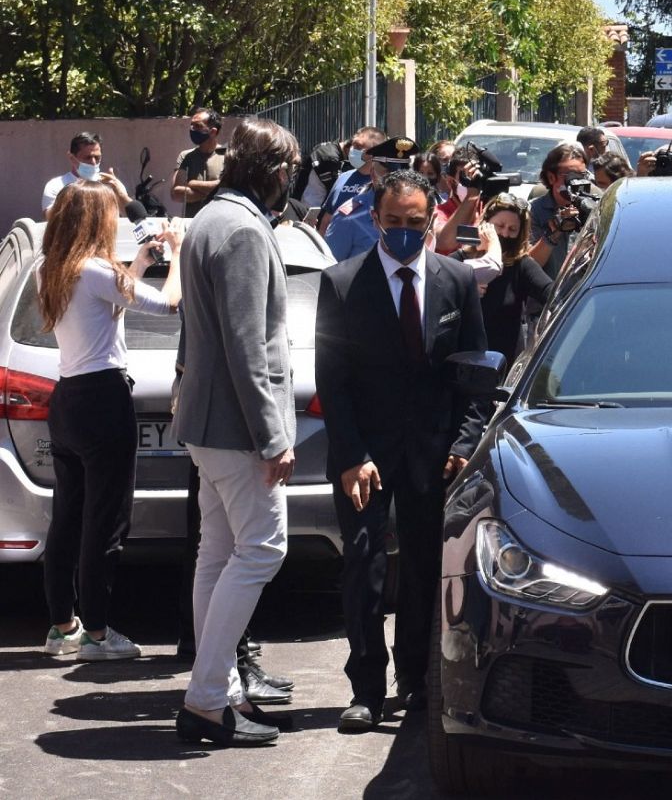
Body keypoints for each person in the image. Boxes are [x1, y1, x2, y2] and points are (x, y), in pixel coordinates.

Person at [314, 169, 491, 732]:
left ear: (431, 220)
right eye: (394, 223)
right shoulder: (341, 284)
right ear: (375, 220)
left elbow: (475, 376)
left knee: (423, 571)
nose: (405, 233)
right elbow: (332, 382)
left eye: (416, 224)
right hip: (364, 457)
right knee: (362, 568)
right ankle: (365, 687)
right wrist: (350, 455)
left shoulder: (457, 281)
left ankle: (414, 678)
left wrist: (464, 443)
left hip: (434, 455)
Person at [173, 117, 301, 747]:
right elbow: (249, 349)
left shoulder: (210, 218)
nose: (292, 182)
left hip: (208, 424)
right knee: (262, 550)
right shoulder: (244, 230)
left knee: (219, 553)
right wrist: (274, 437)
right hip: (235, 429)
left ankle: (212, 692)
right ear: (276, 174)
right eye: (290, 172)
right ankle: (205, 700)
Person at [37, 181, 182, 662]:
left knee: (69, 516)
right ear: (95, 222)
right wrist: (175, 256)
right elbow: (168, 304)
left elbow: (107, 306)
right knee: (105, 521)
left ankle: (63, 626)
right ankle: (99, 633)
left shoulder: (53, 269)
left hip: (67, 400)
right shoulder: (96, 269)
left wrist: (139, 263)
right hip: (103, 400)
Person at [478, 196, 554, 359]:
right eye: (499, 226)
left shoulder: (522, 265)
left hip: (505, 362)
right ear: (485, 224)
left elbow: (554, 295)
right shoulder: (460, 261)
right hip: (464, 361)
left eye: (512, 229)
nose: (505, 233)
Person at [324, 136, 418, 261]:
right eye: (389, 174)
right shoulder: (349, 217)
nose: (397, 181)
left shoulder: (418, 213)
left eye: (403, 174)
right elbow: (331, 268)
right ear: (373, 174)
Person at [529, 144, 591, 280]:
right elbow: (530, 265)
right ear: (551, 178)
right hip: (547, 296)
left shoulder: (594, 209)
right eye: (571, 177)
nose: (578, 182)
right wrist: (556, 231)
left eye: (582, 176)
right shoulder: (533, 212)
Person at [317, 127, 385, 234]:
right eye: (353, 145)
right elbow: (326, 220)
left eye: (359, 146)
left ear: (374, 151)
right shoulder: (343, 177)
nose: (352, 149)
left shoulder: (383, 182)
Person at [44, 132, 120, 216]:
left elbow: (129, 215)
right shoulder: (56, 185)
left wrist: (118, 192)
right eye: (87, 157)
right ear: (72, 158)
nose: (93, 162)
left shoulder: (111, 183)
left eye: (97, 157)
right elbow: (49, 217)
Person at [171, 108, 227, 217]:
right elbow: (176, 193)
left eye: (198, 126)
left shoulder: (228, 156)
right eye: (192, 125)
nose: (192, 129)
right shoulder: (186, 156)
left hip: (219, 222)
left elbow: (229, 190)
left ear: (213, 132)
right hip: (192, 224)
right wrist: (213, 191)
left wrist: (192, 183)